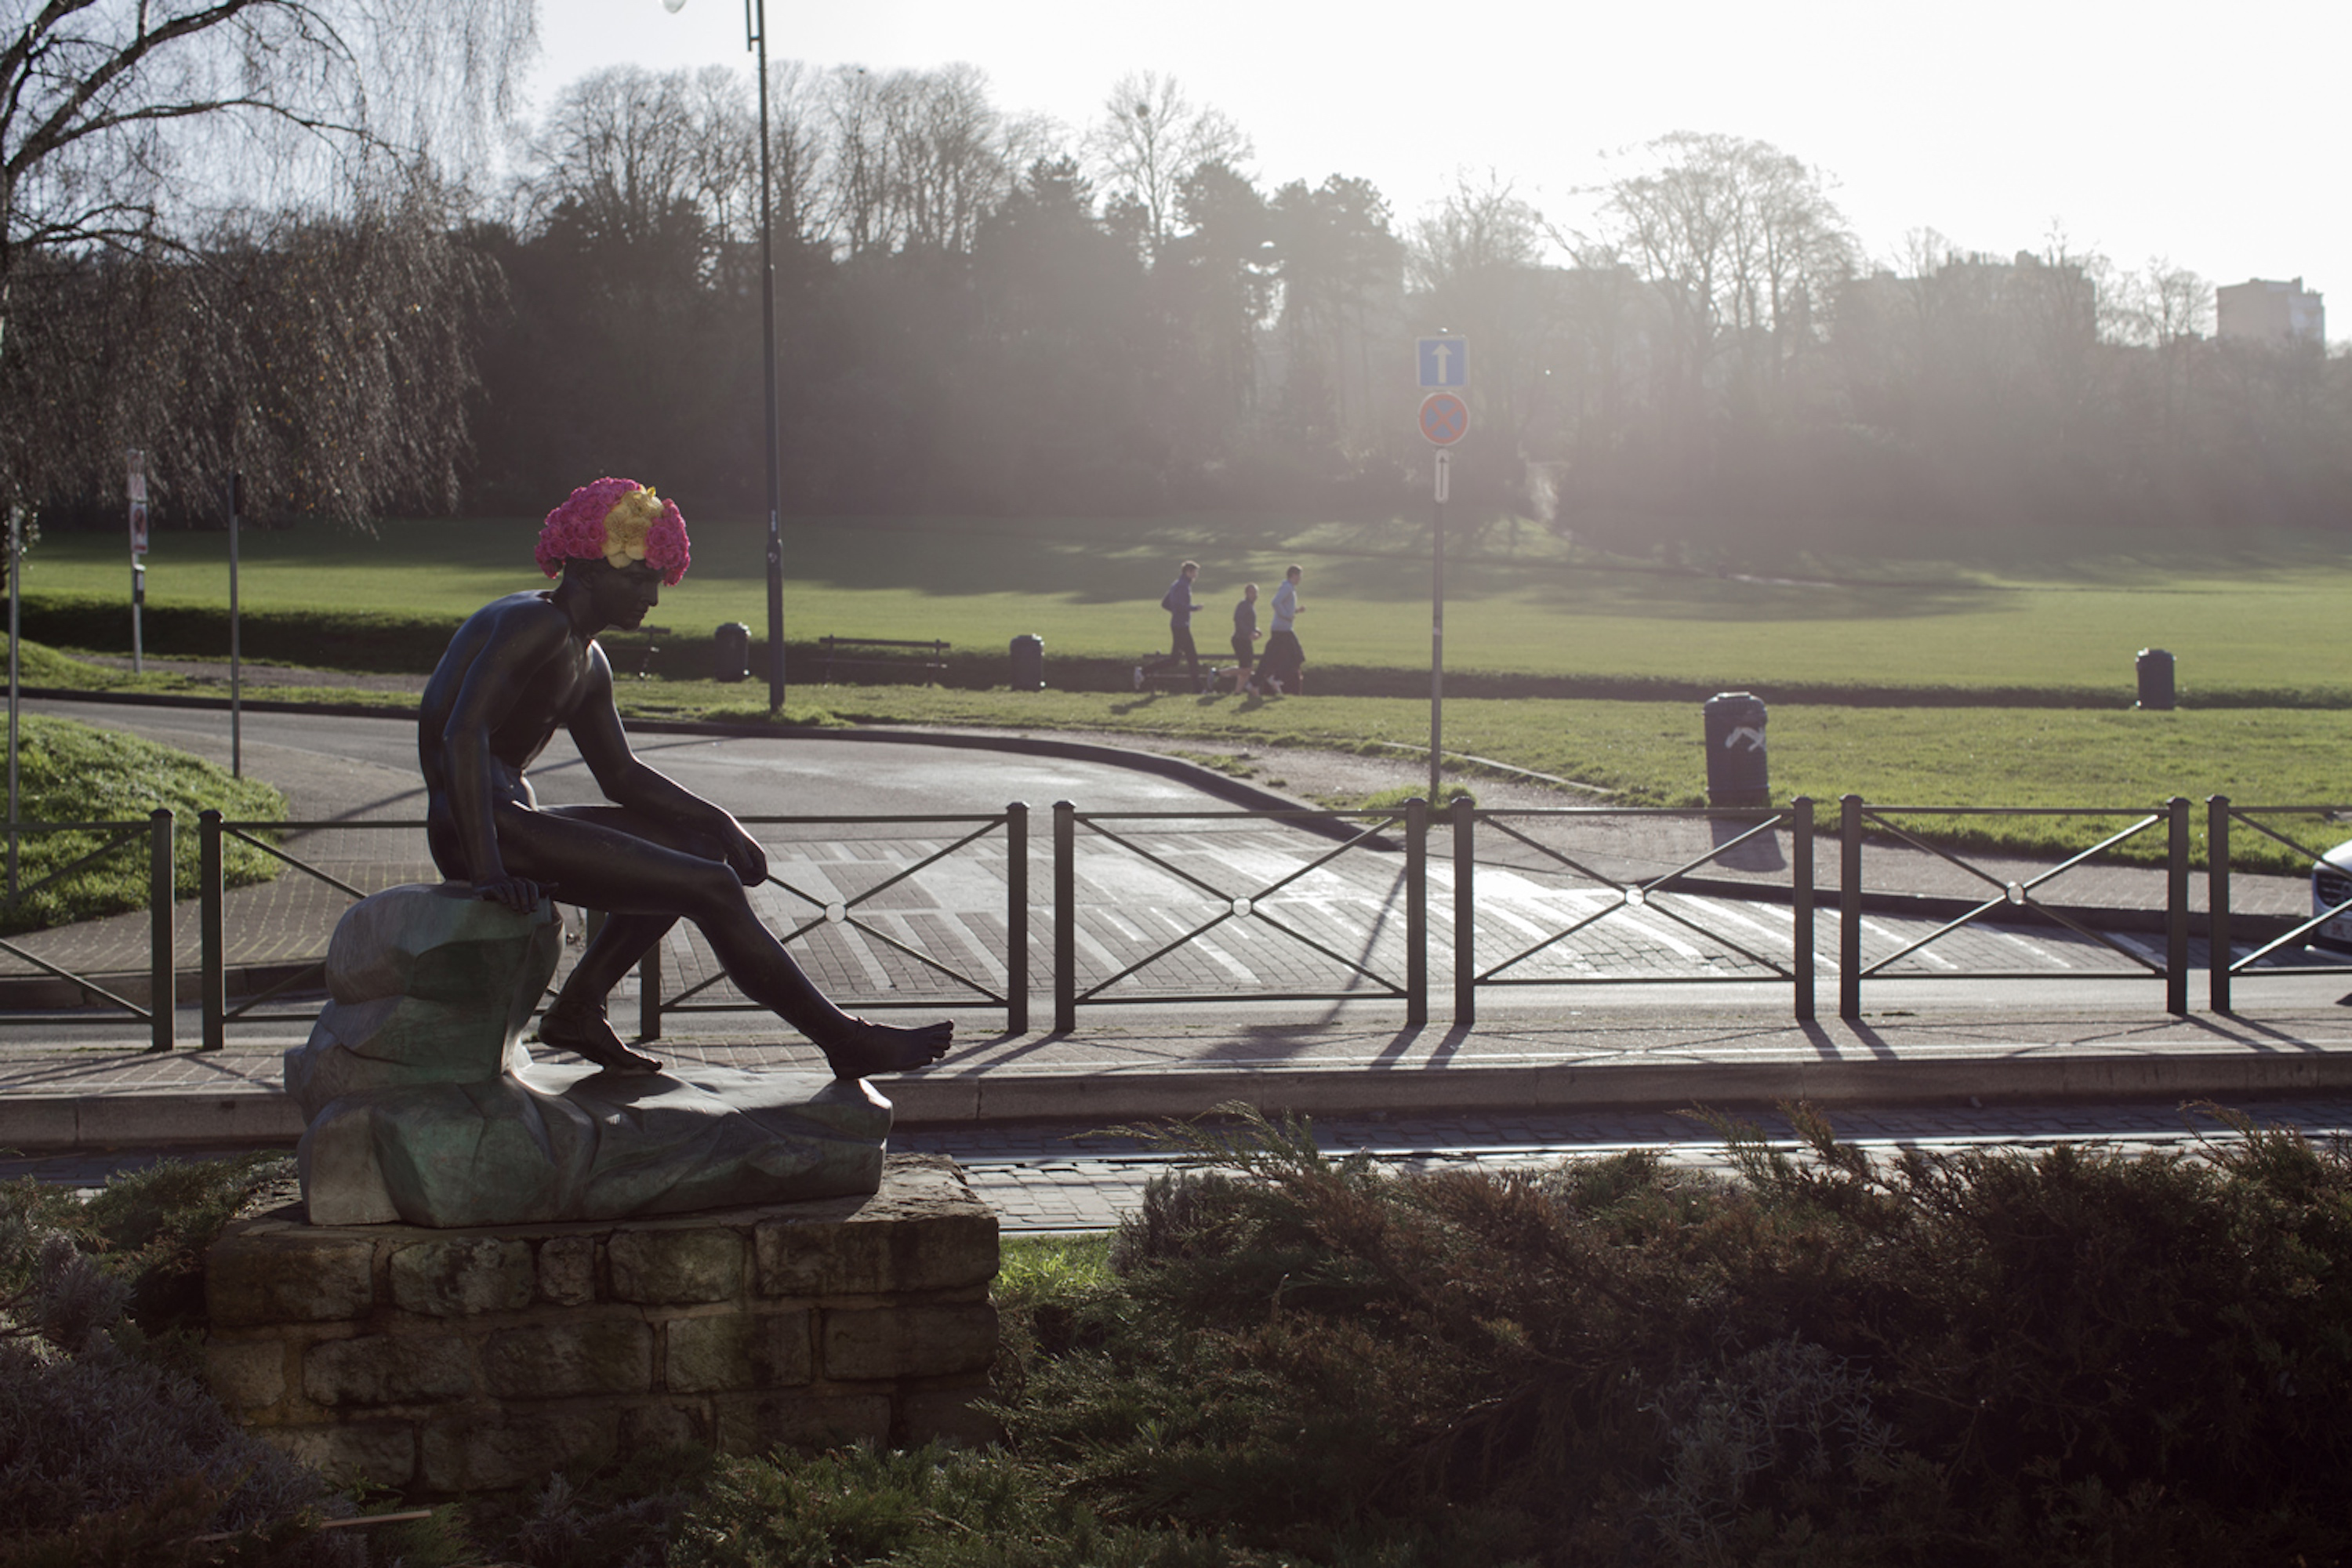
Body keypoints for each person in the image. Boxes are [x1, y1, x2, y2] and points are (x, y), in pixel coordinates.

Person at [419, 476, 953, 1081]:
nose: (652, 596)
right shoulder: (532, 625)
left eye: (656, 580)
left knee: (694, 853)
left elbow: (620, 775)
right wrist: (486, 872)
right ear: (590, 570)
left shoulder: (587, 658)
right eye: (640, 579)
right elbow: (461, 735)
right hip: (473, 829)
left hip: (513, 822)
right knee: (710, 887)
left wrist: (717, 823)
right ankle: (842, 1039)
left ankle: (578, 1009)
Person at [1135, 560, 1201, 688]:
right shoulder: (1182, 585)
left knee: (1175, 660)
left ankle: (1143, 672)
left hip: (1179, 625)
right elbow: (1177, 605)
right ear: (1188, 572)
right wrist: (1193, 609)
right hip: (1181, 626)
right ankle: (1199, 689)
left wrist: (1180, 612)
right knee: (1192, 658)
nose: (1196, 575)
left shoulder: (1177, 584)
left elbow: (1165, 603)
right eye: (1195, 572)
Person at [1259, 563, 1305, 695]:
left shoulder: (1289, 588)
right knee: (1297, 656)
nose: (1300, 579)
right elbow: (1275, 602)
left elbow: (1284, 606)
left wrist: (1296, 611)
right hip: (1283, 629)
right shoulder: (1287, 588)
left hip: (1282, 628)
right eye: (1299, 576)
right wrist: (1286, 616)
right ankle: (1274, 678)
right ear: (1293, 575)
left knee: (1279, 656)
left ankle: (1273, 677)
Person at [1229, 582, 1261, 694]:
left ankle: (1238, 692)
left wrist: (1256, 630)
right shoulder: (1244, 605)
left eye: (1256, 592)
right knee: (1246, 669)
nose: (1255, 595)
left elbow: (1247, 623)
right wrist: (1249, 633)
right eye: (1252, 592)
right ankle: (1218, 673)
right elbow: (1238, 620)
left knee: (1246, 668)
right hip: (1240, 639)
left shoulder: (1249, 606)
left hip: (1245, 639)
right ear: (1246, 593)